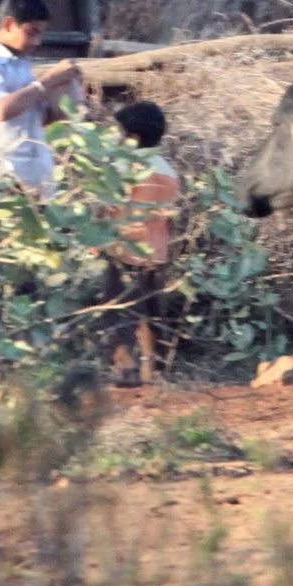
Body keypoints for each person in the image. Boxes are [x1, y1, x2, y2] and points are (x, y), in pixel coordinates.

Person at [0, 0, 82, 195]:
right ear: (8, 24)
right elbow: (2, 110)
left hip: (36, 179)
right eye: (32, 33)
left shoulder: (23, 64)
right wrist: (48, 80)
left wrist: (67, 90)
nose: (37, 42)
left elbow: (42, 118)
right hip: (0, 181)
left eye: (41, 34)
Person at [108, 100, 181, 385]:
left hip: (124, 247)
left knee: (116, 307)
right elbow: (169, 216)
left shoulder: (126, 166)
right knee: (150, 310)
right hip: (156, 251)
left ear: (132, 137)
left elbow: (111, 206)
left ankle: (123, 367)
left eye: (119, 133)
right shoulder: (168, 170)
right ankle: (155, 369)